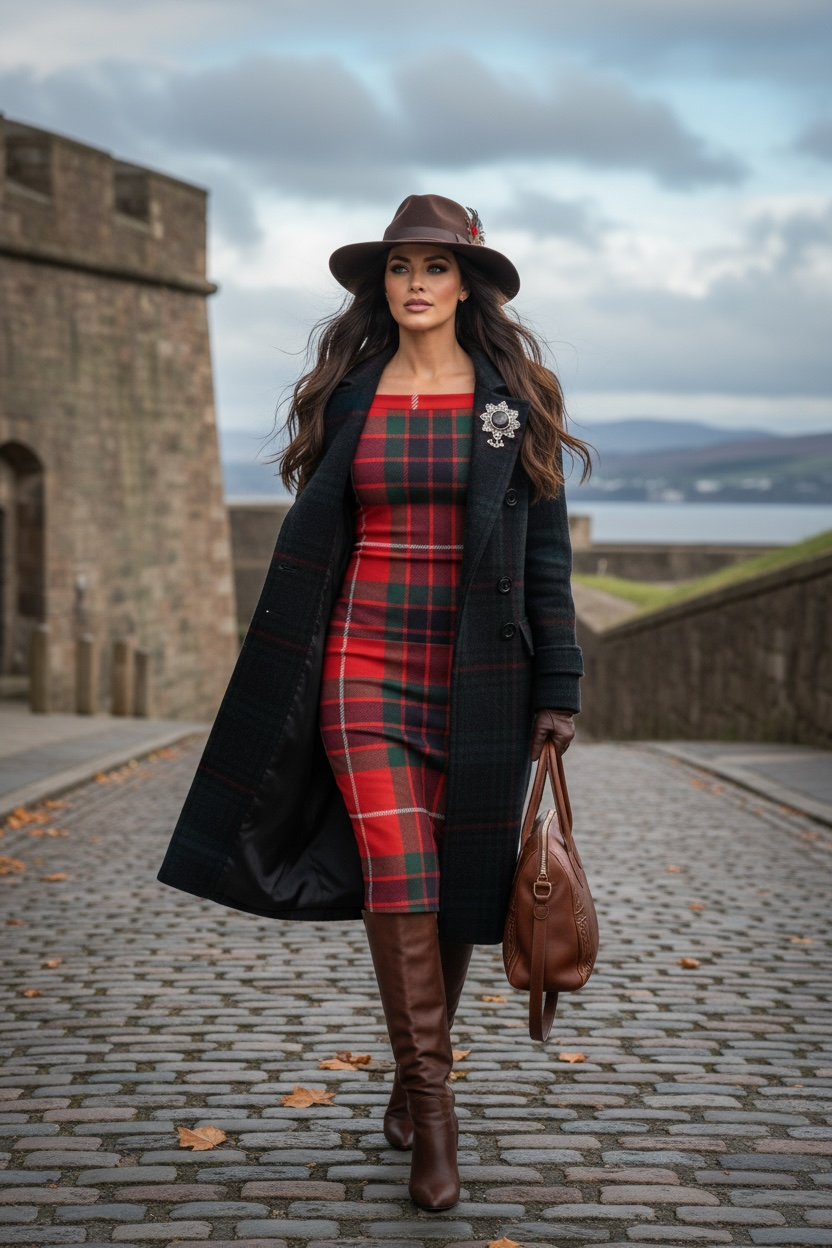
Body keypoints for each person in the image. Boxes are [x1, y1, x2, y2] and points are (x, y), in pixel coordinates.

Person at [158, 194, 591, 1212]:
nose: (415, 285)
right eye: (399, 268)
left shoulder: (513, 400)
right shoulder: (349, 393)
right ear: (380, 285)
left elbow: (546, 557)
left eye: (435, 268)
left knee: (455, 882)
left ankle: (408, 1068)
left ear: (468, 286)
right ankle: (434, 1111)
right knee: (398, 868)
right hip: (362, 665)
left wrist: (559, 688)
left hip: (481, 676)